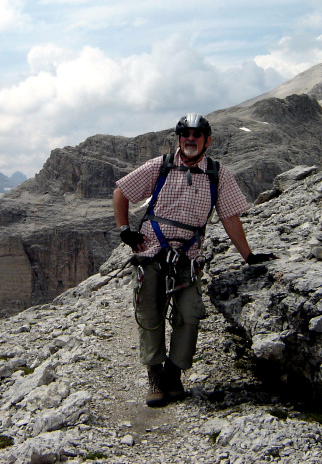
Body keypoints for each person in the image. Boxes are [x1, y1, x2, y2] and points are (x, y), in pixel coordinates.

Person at [113, 113, 276, 407]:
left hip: (188, 258)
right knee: (149, 315)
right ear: (178, 138)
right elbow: (121, 191)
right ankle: (155, 375)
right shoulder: (160, 166)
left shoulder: (218, 174)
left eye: (197, 135)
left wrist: (248, 255)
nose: (190, 139)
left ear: (207, 140)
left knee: (188, 315)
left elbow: (230, 217)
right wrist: (125, 230)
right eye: (185, 134)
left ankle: (173, 375)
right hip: (150, 253)